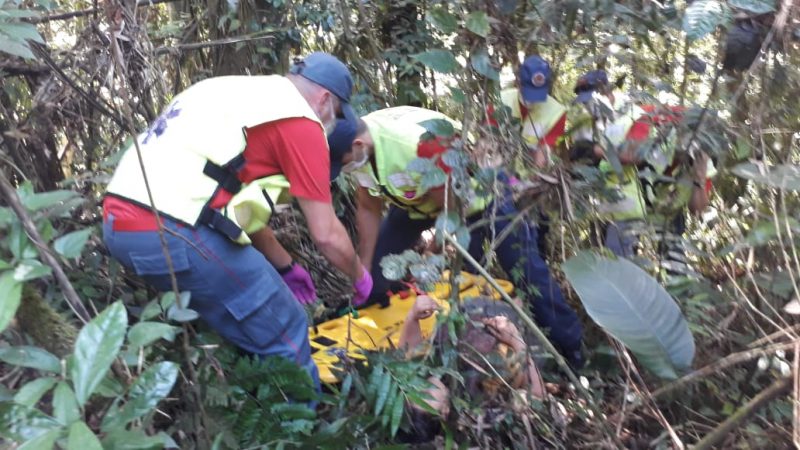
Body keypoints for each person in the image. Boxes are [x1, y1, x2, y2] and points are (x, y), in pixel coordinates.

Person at [102, 52, 373, 389]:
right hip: (173, 227)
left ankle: (253, 402)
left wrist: (286, 267)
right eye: (336, 115)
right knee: (285, 325)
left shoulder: (232, 93)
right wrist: (360, 277)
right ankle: (301, 428)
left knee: (250, 327)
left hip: (120, 224)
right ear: (324, 100)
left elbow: (239, 210)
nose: (332, 124)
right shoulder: (302, 121)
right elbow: (327, 234)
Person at [344, 105, 584, 367]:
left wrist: (428, 258)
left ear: (358, 145)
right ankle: (367, 320)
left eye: (343, 162)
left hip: (477, 197)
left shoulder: (419, 144)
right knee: (378, 266)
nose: (343, 167)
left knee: (526, 269)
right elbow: (368, 207)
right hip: (418, 200)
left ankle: (571, 349)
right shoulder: (355, 145)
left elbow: (451, 210)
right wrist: (364, 265)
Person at [568, 70, 714, 260]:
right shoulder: (627, 121)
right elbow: (637, 154)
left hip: (666, 208)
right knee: (620, 261)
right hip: (635, 201)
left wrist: (699, 178)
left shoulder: (701, 153)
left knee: (673, 264)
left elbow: (698, 209)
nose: (590, 108)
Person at [397, 296, 545, 443]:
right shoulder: (476, 404)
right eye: (428, 395)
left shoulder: (422, 377)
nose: (423, 387)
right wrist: (516, 339)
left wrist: (413, 316)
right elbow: (538, 394)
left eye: (418, 392)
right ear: (444, 411)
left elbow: (409, 351)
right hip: (522, 338)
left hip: (478, 314)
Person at [488, 55, 567, 169]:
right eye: (529, 92)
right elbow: (488, 140)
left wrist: (530, 179)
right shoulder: (499, 101)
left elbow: (543, 155)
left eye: (537, 94)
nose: (533, 100)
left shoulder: (557, 113)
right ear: (518, 83)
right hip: (498, 164)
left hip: (530, 166)